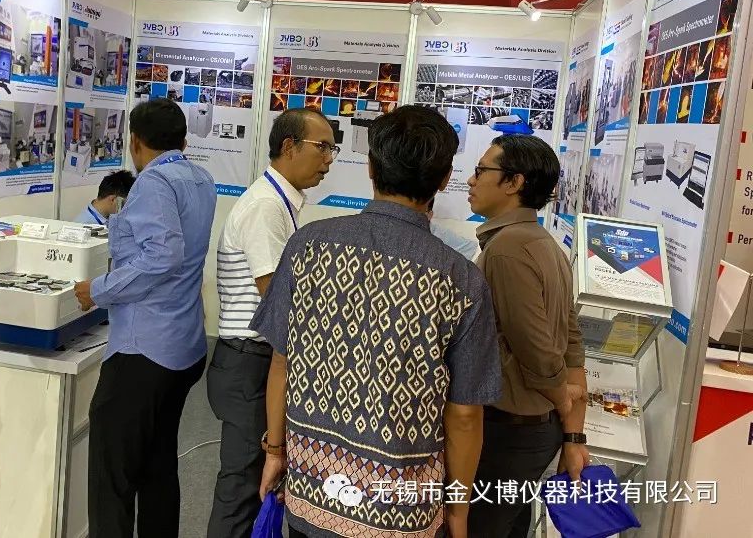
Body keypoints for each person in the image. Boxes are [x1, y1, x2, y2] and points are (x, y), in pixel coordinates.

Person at [252, 105, 501, 538]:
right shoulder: (461, 280)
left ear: (370, 167)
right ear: (445, 179)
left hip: (314, 486)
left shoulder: (308, 245)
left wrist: (276, 450)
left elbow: (281, 361)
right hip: (399, 507)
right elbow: (464, 414)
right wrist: (458, 510)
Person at [73, 98, 216, 538]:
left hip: (144, 349)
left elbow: (162, 256)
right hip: (184, 344)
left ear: (134, 141)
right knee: (157, 465)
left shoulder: (154, 182)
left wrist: (97, 290)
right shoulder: (201, 178)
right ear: (184, 141)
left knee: (112, 477)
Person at [206, 108, 337, 538]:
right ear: (288, 146)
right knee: (243, 487)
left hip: (256, 359)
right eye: (322, 147)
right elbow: (279, 299)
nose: (329, 159)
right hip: (250, 362)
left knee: (253, 484)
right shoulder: (265, 206)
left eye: (332, 149)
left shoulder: (280, 202)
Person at [466, 135, 589, 538]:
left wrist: (563, 400)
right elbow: (571, 342)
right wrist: (572, 430)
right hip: (530, 430)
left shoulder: (508, 249)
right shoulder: (542, 243)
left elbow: (537, 351)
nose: (471, 179)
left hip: (510, 430)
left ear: (514, 182)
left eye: (482, 170)